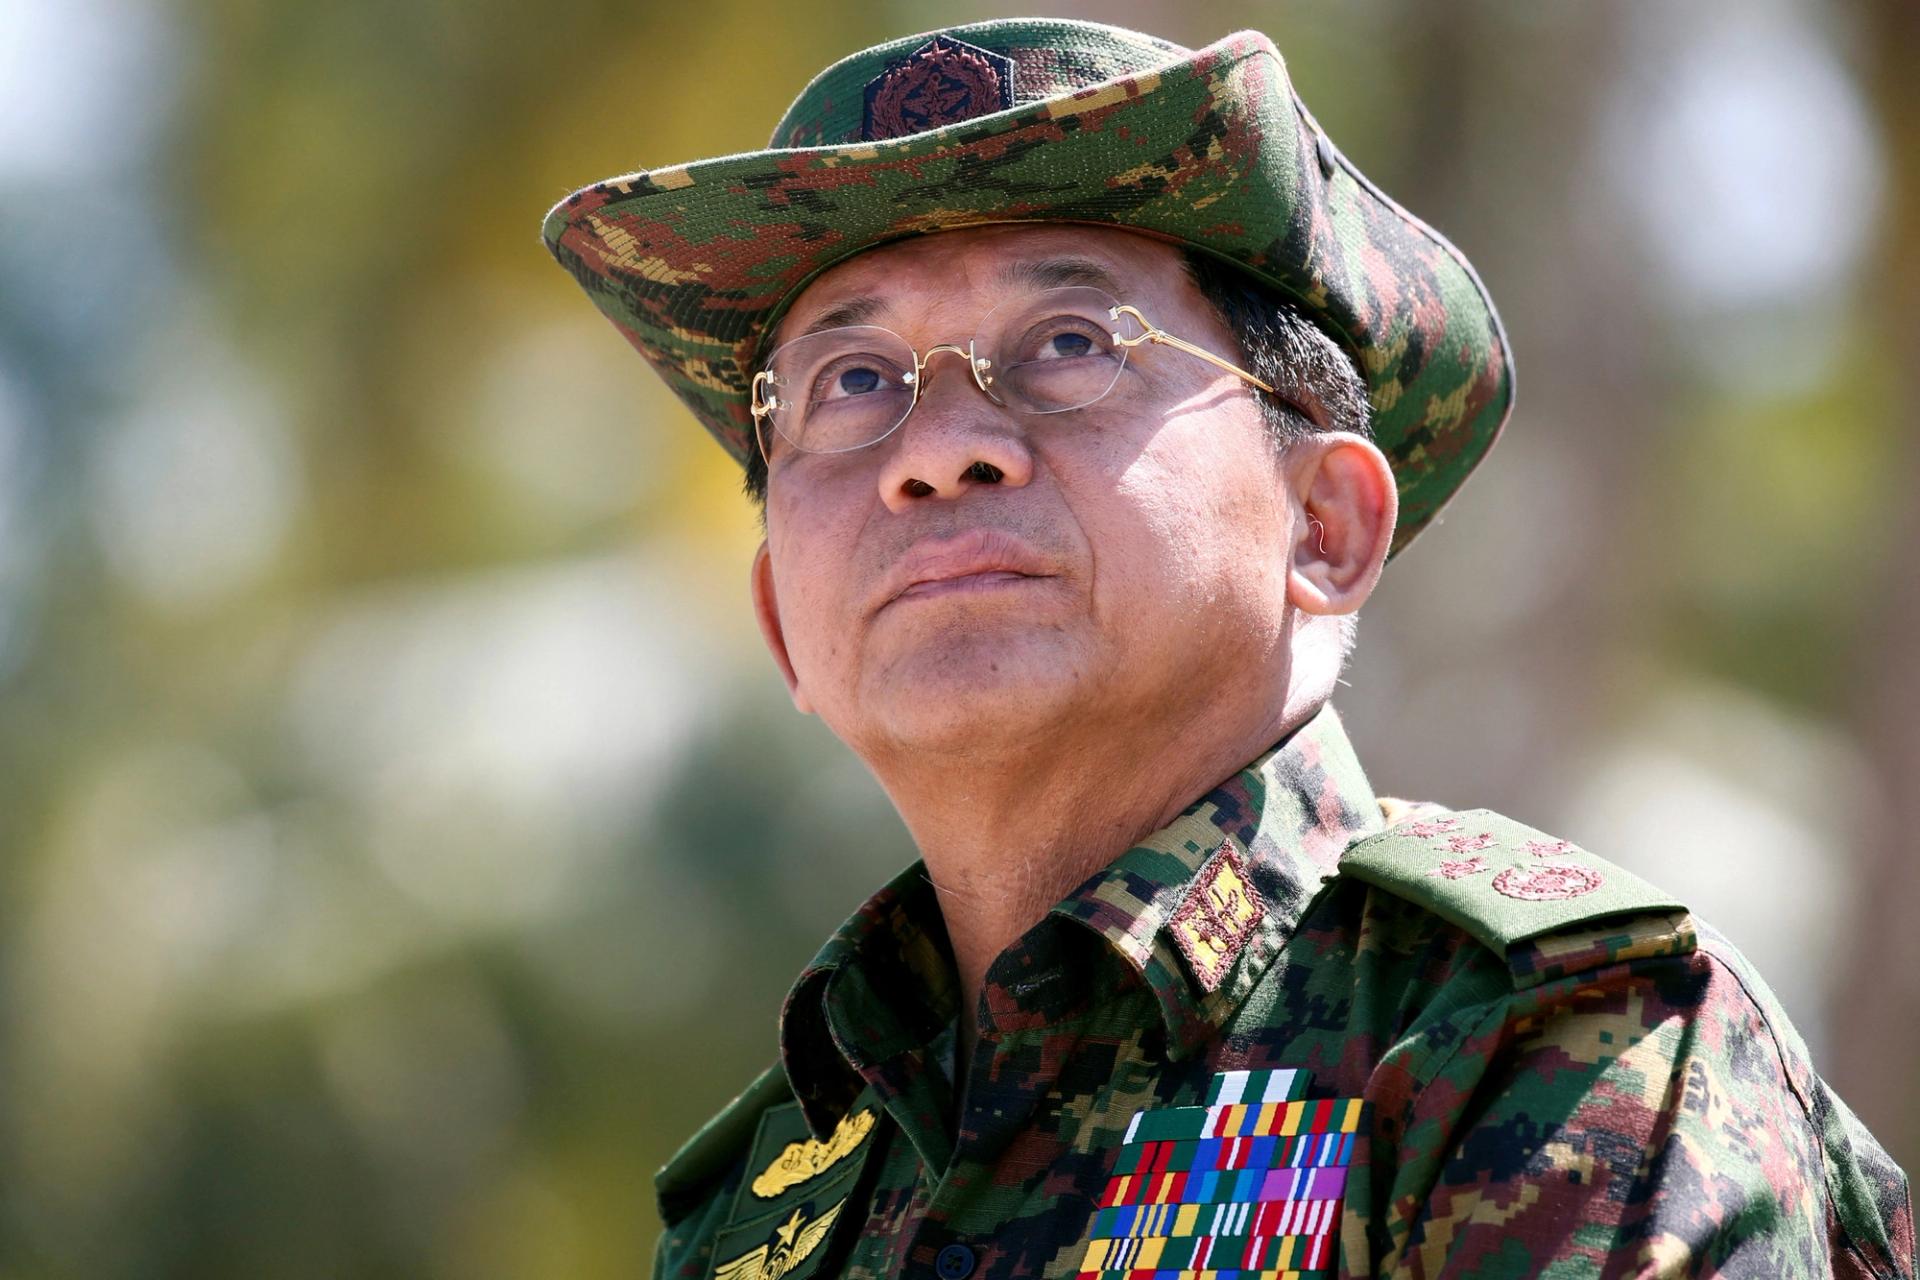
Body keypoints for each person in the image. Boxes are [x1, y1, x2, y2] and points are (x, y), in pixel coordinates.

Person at [541, 19, 1914, 1279]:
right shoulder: (770, 1204)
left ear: (1323, 522)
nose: (941, 449)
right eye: (850, 383)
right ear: (783, 614)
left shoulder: (1538, 1045)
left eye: (1069, 342)